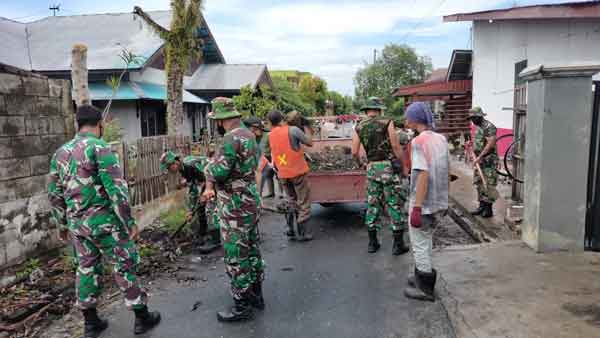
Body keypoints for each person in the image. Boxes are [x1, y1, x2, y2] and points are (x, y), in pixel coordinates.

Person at [48, 105, 160, 338]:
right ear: (100, 124)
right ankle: (141, 318)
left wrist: (61, 224)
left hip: (78, 226)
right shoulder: (100, 148)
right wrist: (129, 222)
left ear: (77, 124)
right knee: (123, 265)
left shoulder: (60, 153)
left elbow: (54, 193)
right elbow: (116, 189)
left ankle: (90, 323)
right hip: (106, 224)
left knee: (86, 269)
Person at [202, 97, 265, 322]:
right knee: (253, 247)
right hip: (250, 198)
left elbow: (220, 172)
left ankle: (241, 305)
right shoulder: (249, 134)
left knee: (235, 254)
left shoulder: (230, 139)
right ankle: (257, 295)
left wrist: (208, 169)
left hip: (234, 204)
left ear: (220, 120)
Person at [403, 102, 449, 302]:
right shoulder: (441, 139)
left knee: (419, 243)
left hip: (423, 201)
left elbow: (422, 173)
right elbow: (448, 170)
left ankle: (425, 288)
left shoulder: (418, 142)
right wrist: (446, 199)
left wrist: (417, 208)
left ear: (414, 120)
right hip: (439, 199)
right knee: (426, 238)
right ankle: (421, 274)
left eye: (407, 117)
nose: (405, 121)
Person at [352, 97, 410, 255]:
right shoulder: (387, 122)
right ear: (379, 109)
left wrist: (362, 164)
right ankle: (398, 245)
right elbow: (395, 145)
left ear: (366, 110)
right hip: (387, 167)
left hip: (371, 168)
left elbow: (354, 151)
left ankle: (372, 243)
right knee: (393, 203)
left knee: (372, 204)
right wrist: (404, 165)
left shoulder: (359, 126)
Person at [264, 110, 314, 241]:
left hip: (283, 174)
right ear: (282, 119)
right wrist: (307, 127)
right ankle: (303, 232)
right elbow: (309, 142)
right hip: (297, 172)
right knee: (303, 202)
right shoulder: (292, 130)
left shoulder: (270, 135)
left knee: (291, 200)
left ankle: (290, 229)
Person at [159, 151, 220, 254]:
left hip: (216, 178)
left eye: (169, 168)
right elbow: (193, 188)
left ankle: (215, 240)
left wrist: (205, 192)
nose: (169, 171)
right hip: (207, 181)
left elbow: (209, 176)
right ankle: (203, 234)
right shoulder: (183, 170)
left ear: (175, 163)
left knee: (209, 208)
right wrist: (191, 210)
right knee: (199, 208)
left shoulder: (191, 164)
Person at [468, 106, 498, 218]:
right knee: (479, 182)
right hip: (479, 160)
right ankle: (481, 206)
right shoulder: (477, 127)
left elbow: (490, 145)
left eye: (473, 118)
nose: (472, 120)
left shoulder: (489, 127)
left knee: (488, 183)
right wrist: (472, 150)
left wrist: (479, 157)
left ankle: (488, 209)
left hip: (488, 160)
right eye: (471, 118)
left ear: (479, 116)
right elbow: (478, 142)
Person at [243, 116, 276, 199]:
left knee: (261, 179)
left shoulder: (265, 136)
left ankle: (259, 198)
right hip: (258, 162)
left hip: (266, 161)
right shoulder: (250, 138)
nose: (261, 132)